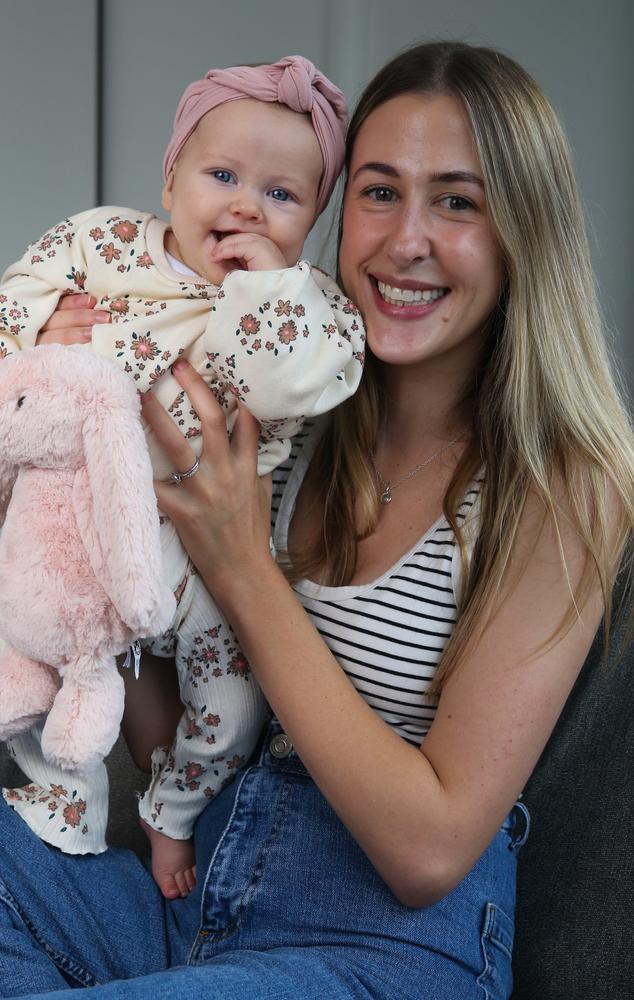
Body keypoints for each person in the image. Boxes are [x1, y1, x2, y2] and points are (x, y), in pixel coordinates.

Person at [0, 38, 634, 1000]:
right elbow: (166, 647)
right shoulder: (293, 413)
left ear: (525, 234)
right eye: (380, 192)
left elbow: (430, 850)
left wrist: (245, 573)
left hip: (378, 944)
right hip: (188, 898)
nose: (405, 240)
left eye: (457, 201)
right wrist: (59, 373)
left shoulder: (563, 488)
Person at [0, 56, 365, 899]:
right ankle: (58, 795)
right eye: (222, 175)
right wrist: (36, 335)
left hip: (206, 554)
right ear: (171, 180)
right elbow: (20, 286)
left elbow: (282, 381)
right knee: (39, 641)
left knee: (232, 711)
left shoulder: (306, 306)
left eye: (282, 195)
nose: (245, 205)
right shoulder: (105, 242)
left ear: (314, 221)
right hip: (86, 526)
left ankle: (174, 809)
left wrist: (263, 285)